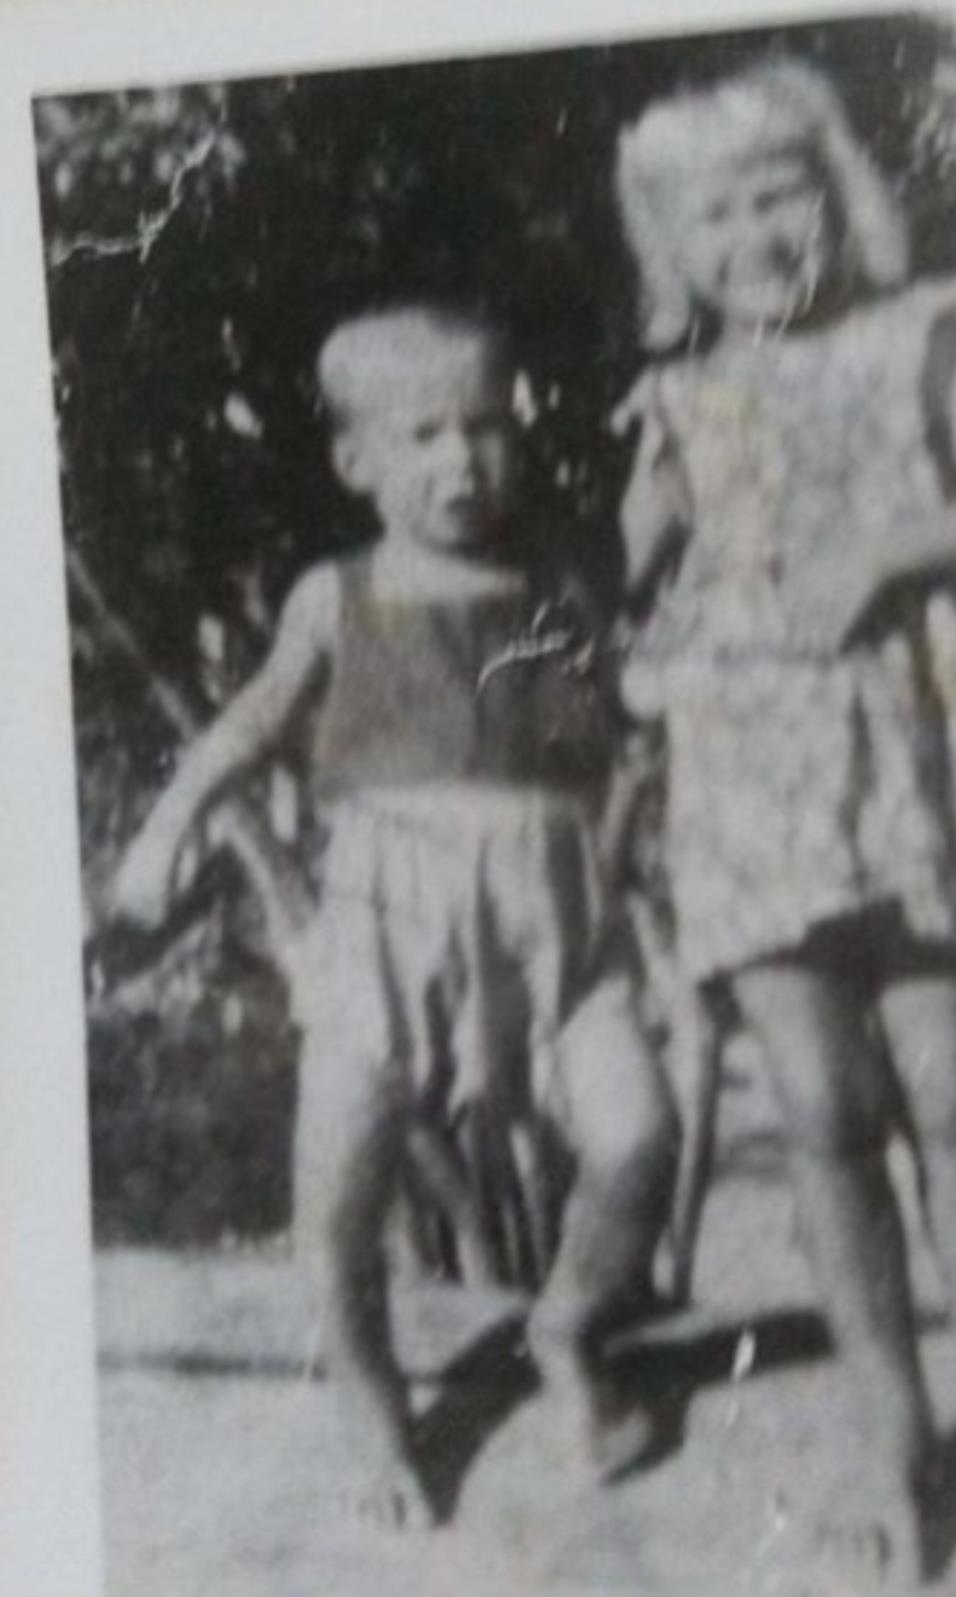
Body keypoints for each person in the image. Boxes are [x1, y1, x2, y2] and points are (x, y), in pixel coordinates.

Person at [612, 55, 956, 1586]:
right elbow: (627, 580)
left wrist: (888, 549)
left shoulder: (910, 339)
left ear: (832, 199)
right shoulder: (676, 398)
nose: (756, 237)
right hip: (747, 788)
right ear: (673, 248)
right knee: (821, 1113)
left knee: (949, 1098)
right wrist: (633, 614)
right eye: (716, 217)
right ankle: (893, 1433)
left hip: (902, 770)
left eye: (781, 197)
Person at [111, 302, 676, 1529]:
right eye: (423, 434)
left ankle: (570, 1328)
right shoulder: (338, 595)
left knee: (639, 1135)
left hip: (552, 913)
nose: (461, 459)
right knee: (338, 1192)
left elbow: (633, 706)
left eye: (485, 426)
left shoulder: (555, 584)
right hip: (385, 917)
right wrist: (167, 829)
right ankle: (374, 1412)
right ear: (357, 460)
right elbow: (251, 723)